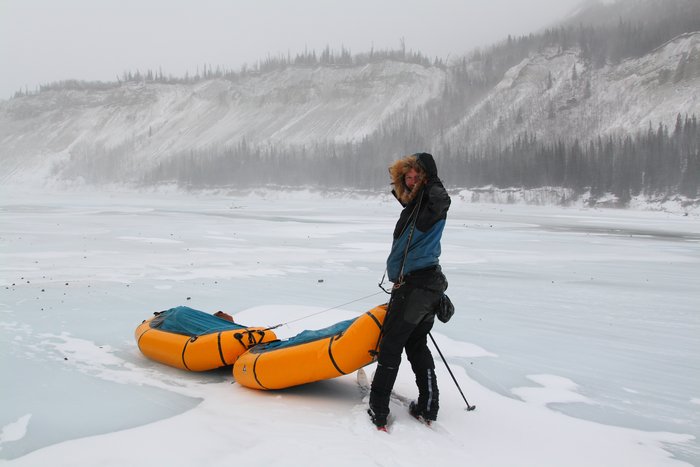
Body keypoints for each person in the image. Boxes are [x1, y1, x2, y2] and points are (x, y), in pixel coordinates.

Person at [369, 152, 451, 429]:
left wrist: (432, 182)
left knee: (391, 345)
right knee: (416, 344)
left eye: (417, 175)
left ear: (426, 177)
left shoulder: (431, 202)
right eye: (408, 176)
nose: (412, 180)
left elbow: (442, 201)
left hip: (416, 285)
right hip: (426, 284)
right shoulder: (415, 206)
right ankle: (428, 408)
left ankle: (378, 411)